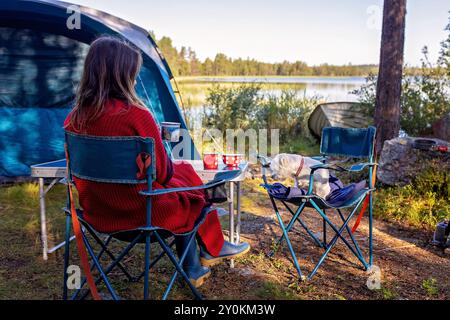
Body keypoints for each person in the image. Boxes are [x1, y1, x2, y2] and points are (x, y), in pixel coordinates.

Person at [64, 36, 250, 287]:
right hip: (144, 215)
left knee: (184, 175)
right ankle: (210, 248)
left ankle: (196, 263)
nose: (134, 79)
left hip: (97, 213)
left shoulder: (73, 120)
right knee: (190, 192)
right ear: (122, 76)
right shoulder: (137, 116)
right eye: (133, 73)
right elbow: (162, 174)